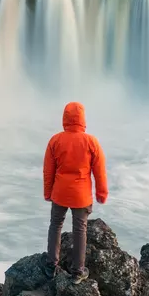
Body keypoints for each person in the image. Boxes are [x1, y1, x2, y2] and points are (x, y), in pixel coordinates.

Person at [43, 101, 108, 278]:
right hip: (81, 196)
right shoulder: (91, 142)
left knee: (55, 225)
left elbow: (48, 170)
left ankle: (51, 265)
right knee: (80, 230)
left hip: (60, 193)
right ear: (82, 119)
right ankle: (78, 271)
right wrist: (101, 193)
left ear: (64, 118)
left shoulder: (55, 140)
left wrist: (48, 192)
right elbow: (99, 171)